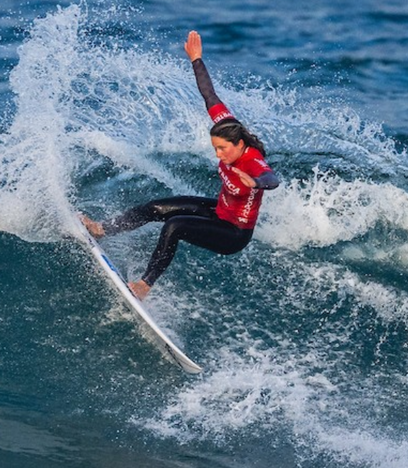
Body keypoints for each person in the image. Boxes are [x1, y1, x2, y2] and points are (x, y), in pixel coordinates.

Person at [81, 30, 279, 299]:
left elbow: (271, 179)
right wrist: (196, 60)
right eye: (215, 148)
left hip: (234, 233)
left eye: (222, 149)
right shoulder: (229, 127)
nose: (218, 154)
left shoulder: (252, 160)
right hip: (220, 212)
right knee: (155, 208)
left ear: (239, 145)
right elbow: (209, 95)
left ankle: (144, 286)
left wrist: (255, 182)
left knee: (174, 226)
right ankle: (102, 229)